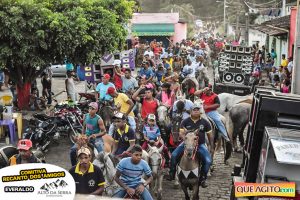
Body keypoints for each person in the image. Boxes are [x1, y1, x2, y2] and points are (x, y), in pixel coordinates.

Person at [167, 103, 213, 188]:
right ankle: (172, 173)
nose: (196, 111)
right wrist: (187, 140)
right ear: (190, 112)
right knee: (173, 155)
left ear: (200, 112)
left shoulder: (205, 122)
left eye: (197, 110)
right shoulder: (185, 121)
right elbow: (181, 134)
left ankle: (203, 178)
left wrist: (211, 146)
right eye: (194, 110)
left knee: (208, 161)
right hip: (186, 144)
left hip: (200, 145)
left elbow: (210, 136)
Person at [70, 102, 107, 166]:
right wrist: (82, 135)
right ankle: (73, 166)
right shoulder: (85, 116)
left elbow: (104, 131)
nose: (90, 110)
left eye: (93, 109)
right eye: (89, 108)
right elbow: (84, 127)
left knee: (101, 153)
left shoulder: (99, 119)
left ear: (96, 110)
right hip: (86, 136)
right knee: (72, 151)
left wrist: (96, 135)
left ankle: (104, 167)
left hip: (96, 137)